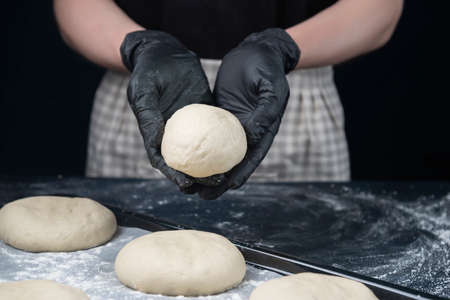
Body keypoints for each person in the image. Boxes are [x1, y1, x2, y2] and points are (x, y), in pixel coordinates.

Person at [53, 0, 403, 199]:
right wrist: (139, 46)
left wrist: (281, 48)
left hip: (284, 93)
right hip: (148, 93)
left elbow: (378, 9)